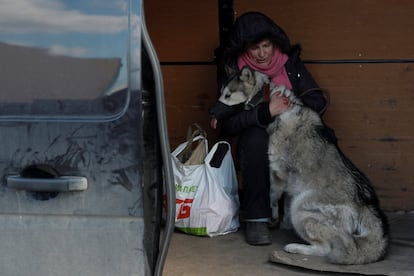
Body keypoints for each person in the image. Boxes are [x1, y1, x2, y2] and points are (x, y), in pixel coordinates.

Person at [210, 11, 329, 245]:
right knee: (255, 141)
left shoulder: (289, 62)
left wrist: (291, 107)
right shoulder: (234, 70)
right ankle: (257, 218)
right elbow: (230, 122)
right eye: (255, 48)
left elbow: (316, 99)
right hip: (255, 135)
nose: (263, 53)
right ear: (245, 48)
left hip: (290, 128)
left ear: (275, 44)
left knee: (320, 139)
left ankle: (318, 214)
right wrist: (266, 111)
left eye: (267, 46)